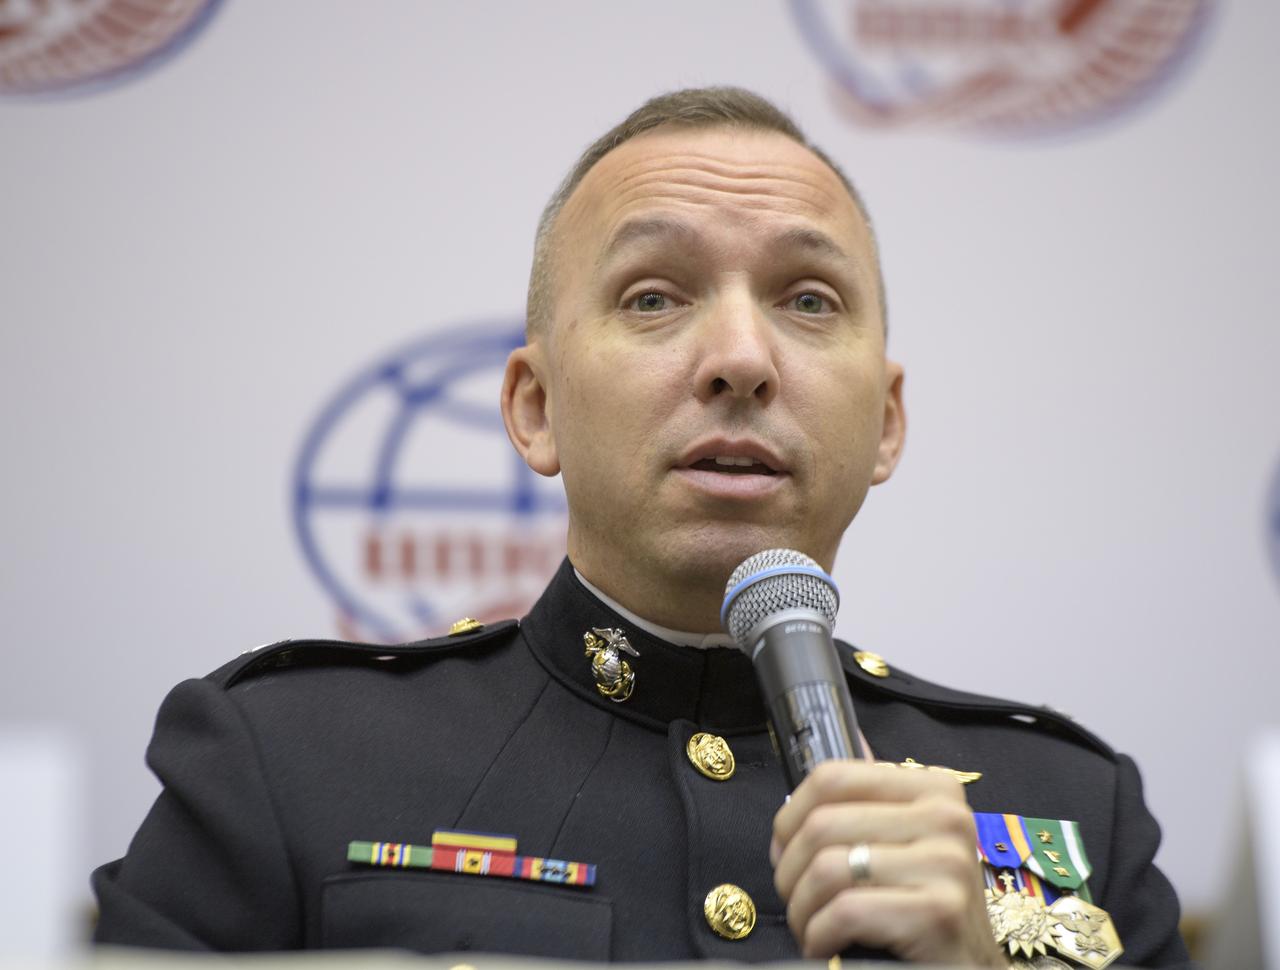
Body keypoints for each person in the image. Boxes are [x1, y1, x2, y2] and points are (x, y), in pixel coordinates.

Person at [92, 87, 1193, 968]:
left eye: (808, 299)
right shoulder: (286, 761)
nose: (740, 359)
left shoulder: (1070, 810)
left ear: (885, 426)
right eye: (653, 297)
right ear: (534, 407)